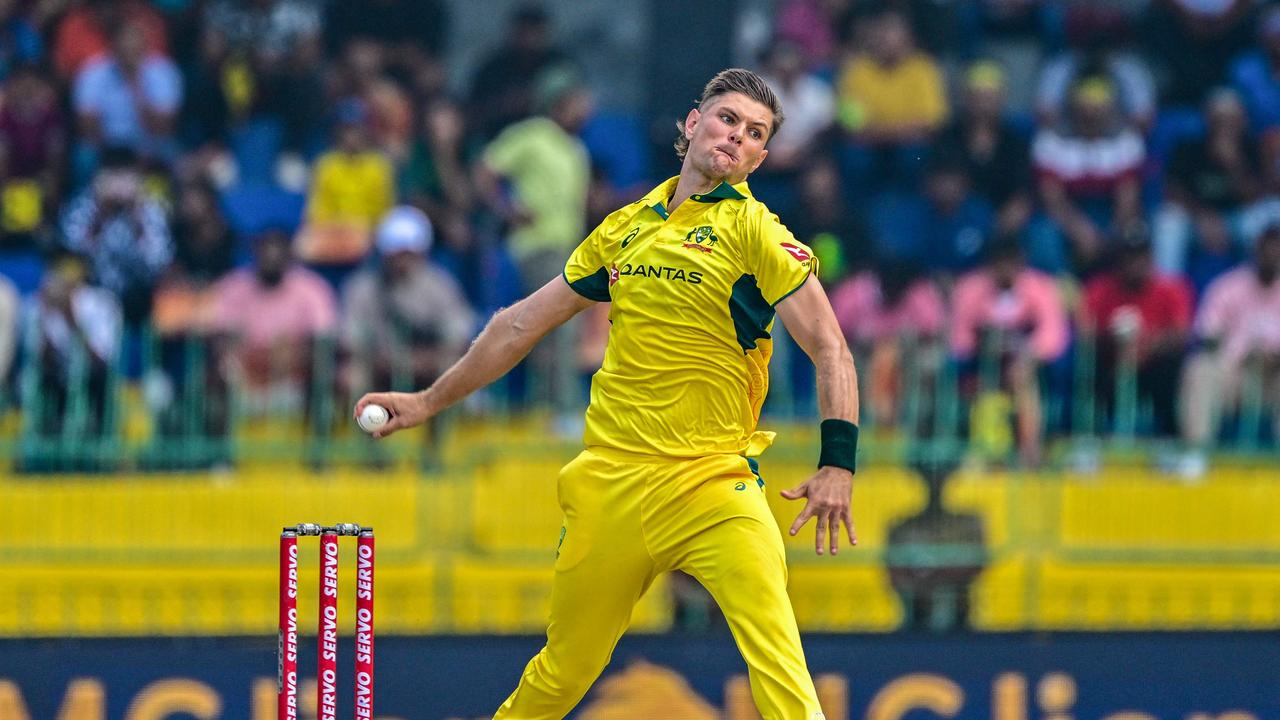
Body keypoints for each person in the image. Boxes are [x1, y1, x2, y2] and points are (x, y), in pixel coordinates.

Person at [356, 68, 859, 719]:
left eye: (755, 133)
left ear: (760, 158)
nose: (736, 136)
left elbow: (831, 346)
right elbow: (518, 326)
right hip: (612, 485)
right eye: (727, 118)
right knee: (561, 674)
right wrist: (427, 401)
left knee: (779, 659)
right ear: (692, 124)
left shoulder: (755, 233)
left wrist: (837, 463)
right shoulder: (623, 228)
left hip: (712, 483)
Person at [1177, 225, 1280, 478]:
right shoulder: (1227, 286)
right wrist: (1240, 350)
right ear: (1256, 251)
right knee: (1201, 369)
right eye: (1268, 250)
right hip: (1234, 375)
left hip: (1274, 379)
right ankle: (1196, 454)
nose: (1273, 256)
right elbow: (1206, 337)